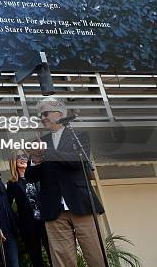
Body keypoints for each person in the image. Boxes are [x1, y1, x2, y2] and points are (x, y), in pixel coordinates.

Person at [26, 98, 105, 267]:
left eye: (45, 113)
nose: (42, 117)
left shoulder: (79, 135)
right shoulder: (41, 141)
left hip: (82, 204)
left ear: (60, 113)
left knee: (96, 255)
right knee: (62, 260)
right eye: (40, 115)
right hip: (54, 209)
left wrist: (47, 151)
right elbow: (31, 177)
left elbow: (76, 161)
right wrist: (35, 158)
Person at [7, 150, 50, 267]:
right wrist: (17, 221)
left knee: (53, 254)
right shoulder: (12, 183)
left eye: (25, 156)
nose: (22, 158)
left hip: (45, 221)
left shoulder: (38, 177)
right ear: (14, 162)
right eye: (19, 157)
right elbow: (8, 206)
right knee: (36, 258)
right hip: (28, 225)